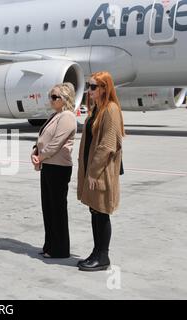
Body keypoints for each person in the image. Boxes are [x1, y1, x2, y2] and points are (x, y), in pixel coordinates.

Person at [77, 71, 125, 272]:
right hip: (92, 170)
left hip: (101, 172)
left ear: (105, 88)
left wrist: (94, 173)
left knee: (101, 212)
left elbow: (107, 145)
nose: (89, 90)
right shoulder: (97, 109)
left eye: (94, 87)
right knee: (94, 211)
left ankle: (103, 256)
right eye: (89, 86)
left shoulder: (110, 110)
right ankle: (96, 252)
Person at [31, 83, 77, 259]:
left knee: (57, 209)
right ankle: (50, 244)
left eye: (55, 97)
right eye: (51, 96)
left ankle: (60, 248)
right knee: (48, 207)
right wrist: (35, 151)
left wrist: (40, 157)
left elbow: (56, 142)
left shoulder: (67, 116)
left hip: (58, 167)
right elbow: (43, 138)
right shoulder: (55, 115)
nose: (51, 99)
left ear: (65, 99)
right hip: (49, 165)